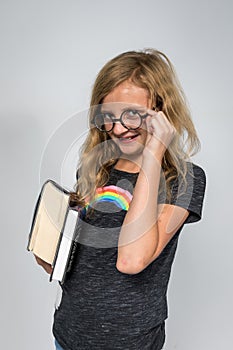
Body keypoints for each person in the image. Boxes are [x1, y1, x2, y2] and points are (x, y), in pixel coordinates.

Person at [35, 49, 206, 350]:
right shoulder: (95, 169)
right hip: (67, 335)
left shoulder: (183, 179)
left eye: (131, 114)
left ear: (161, 110)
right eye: (108, 116)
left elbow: (131, 260)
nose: (117, 128)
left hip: (129, 343)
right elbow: (72, 263)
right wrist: (51, 251)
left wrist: (153, 154)